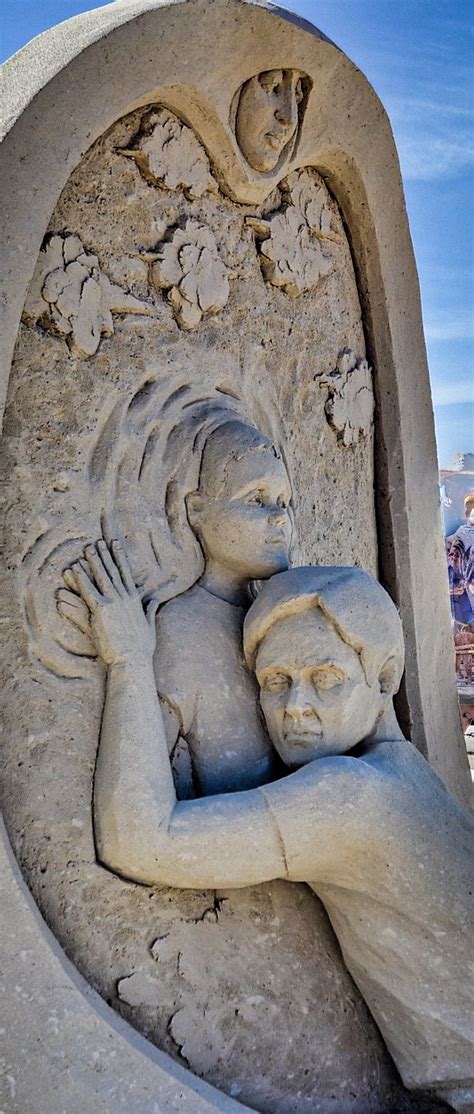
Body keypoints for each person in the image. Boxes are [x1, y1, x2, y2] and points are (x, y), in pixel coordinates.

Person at [60, 546, 474, 1109]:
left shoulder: (352, 798)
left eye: (326, 678)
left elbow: (141, 842)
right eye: (276, 681)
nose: (295, 707)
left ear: (385, 677)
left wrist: (129, 659)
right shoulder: (412, 779)